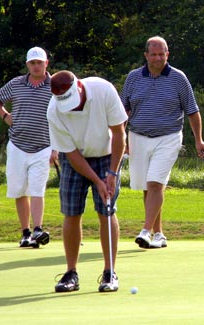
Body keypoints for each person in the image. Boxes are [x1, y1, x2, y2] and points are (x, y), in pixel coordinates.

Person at [120, 36, 204, 249]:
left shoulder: (178, 78)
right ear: (146, 55)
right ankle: (158, 234)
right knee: (146, 187)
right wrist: (122, 138)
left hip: (168, 137)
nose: (158, 58)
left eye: (162, 54)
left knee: (155, 183)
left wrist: (199, 140)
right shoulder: (133, 78)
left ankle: (145, 231)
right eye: (154, 54)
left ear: (167, 54)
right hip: (138, 137)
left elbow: (192, 111)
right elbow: (123, 111)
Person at [47, 70, 127, 292]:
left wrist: (111, 174)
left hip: (106, 154)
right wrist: (97, 181)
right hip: (75, 159)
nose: (71, 107)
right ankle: (71, 273)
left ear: (79, 87)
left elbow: (119, 134)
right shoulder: (54, 110)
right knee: (71, 212)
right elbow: (71, 154)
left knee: (106, 210)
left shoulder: (103, 90)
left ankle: (110, 272)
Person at [0, 47, 57, 248]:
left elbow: (64, 114)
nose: (36, 66)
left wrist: (57, 148)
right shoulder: (16, 83)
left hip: (44, 145)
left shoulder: (56, 85)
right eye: (32, 63)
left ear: (46, 64)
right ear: (27, 65)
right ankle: (26, 232)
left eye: (40, 62)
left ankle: (37, 229)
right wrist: (5, 116)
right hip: (18, 144)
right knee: (19, 190)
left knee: (37, 188)